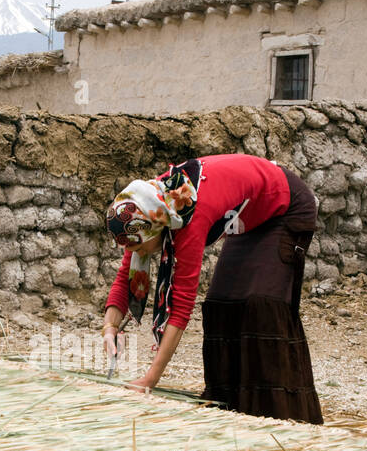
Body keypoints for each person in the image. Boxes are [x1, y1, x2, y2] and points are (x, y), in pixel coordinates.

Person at [101, 153, 323, 423]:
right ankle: (232, 411)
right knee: (221, 304)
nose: (134, 253)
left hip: (285, 207)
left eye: (136, 246)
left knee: (261, 305)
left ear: (155, 228)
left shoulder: (188, 218)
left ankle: (283, 417)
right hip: (249, 214)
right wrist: (109, 327)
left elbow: (181, 307)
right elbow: (127, 273)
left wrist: (150, 379)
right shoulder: (147, 206)